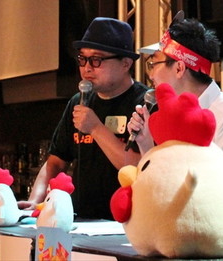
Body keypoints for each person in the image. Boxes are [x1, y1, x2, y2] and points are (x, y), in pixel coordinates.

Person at [127, 12, 223, 214]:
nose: (150, 75)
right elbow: (165, 184)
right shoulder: (173, 115)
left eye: (153, 64)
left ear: (179, 68)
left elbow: (219, 193)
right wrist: (146, 143)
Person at [18, 17, 148, 220]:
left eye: (96, 60)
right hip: (82, 221)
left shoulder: (144, 104)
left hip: (127, 223)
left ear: (125, 63)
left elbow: (139, 168)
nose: (87, 68)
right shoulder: (79, 102)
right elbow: (55, 161)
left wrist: (96, 128)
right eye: (82, 59)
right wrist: (36, 200)